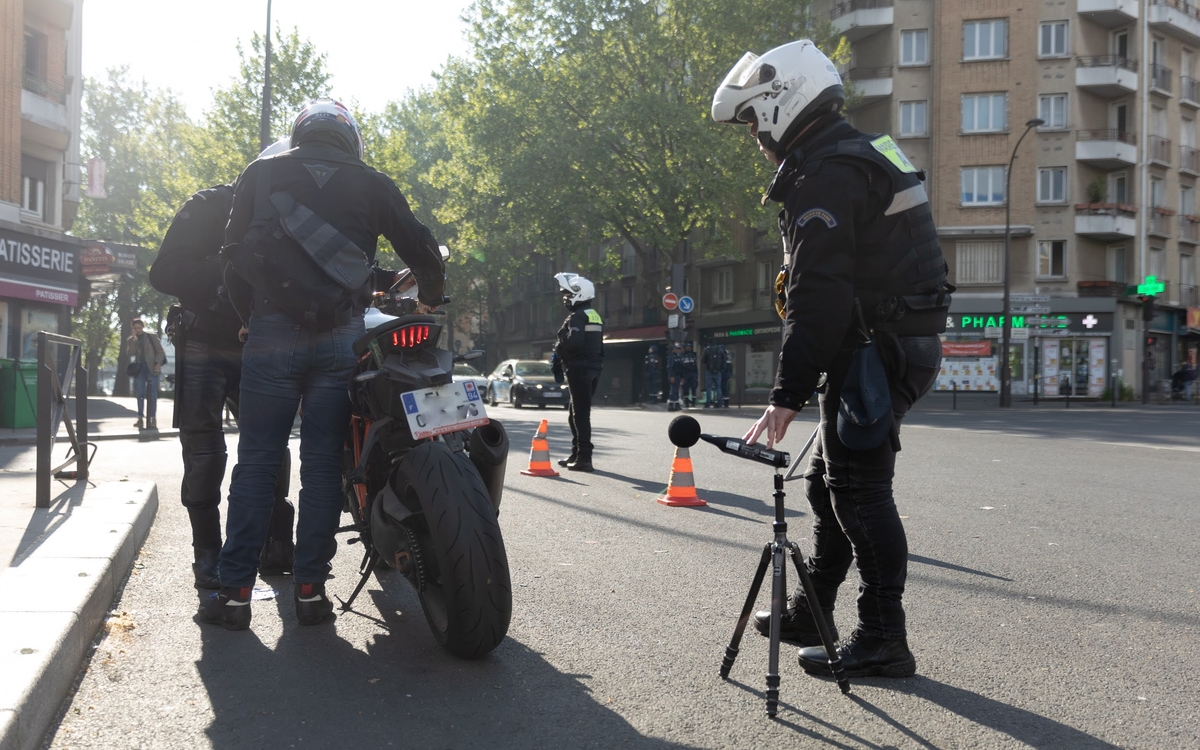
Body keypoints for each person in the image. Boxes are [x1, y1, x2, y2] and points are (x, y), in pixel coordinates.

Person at [713, 40, 952, 678]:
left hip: (876, 349)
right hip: (888, 343)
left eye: (753, 122)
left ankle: (882, 639)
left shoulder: (824, 173)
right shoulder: (858, 152)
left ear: (779, 106)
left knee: (859, 492)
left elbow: (820, 296)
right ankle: (811, 609)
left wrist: (785, 393)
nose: (755, 138)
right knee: (828, 486)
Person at [200, 98, 445, 630]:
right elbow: (424, 247)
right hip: (341, 339)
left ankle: (236, 594)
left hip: (270, 334)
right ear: (350, 139)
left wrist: (249, 318)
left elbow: (232, 258)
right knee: (320, 467)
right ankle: (311, 593)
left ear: (299, 133)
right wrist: (429, 297)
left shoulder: (261, 173)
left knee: (257, 462)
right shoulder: (373, 182)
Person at [149, 176, 296, 590]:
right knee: (205, 452)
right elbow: (163, 272)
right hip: (205, 340)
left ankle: (272, 543)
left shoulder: (292, 208)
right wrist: (230, 268)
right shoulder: (210, 204)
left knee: (268, 447)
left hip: (261, 342)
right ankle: (208, 552)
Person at [551, 272, 604, 472]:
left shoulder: (577, 317)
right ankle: (576, 453)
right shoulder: (594, 315)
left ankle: (584, 458)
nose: (565, 298)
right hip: (594, 367)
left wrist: (561, 335)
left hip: (580, 369)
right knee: (575, 413)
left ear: (579, 294)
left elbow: (574, 342)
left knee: (580, 414)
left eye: (567, 294)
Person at [127, 318, 166, 430]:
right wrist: (134, 340)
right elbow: (131, 353)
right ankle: (140, 418)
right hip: (140, 369)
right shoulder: (132, 339)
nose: (138, 330)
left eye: (139, 328)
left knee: (152, 395)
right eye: (135, 328)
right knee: (140, 394)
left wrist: (158, 364)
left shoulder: (151, 336)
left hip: (152, 367)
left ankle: (153, 419)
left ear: (142, 327)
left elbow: (160, 351)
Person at [702, 341, 726, 408]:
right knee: (718, 387)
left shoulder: (707, 349)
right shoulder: (720, 349)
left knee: (708, 388)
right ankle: (719, 402)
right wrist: (722, 369)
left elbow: (703, 360)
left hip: (709, 371)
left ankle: (708, 403)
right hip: (718, 372)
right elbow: (724, 360)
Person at [679, 341, 699, 408]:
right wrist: (681, 377)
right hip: (685, 374)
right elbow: (681, 367)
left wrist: (696, 374)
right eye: (687, 347)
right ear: (685, 348)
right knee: (685, 388)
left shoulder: (693, 355)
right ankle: (686, 402)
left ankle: (693, 402)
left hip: (692, 374)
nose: (689, 348)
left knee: (693, 388)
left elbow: (695, 366)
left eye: (689, 347)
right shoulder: (682, 356)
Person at [666, 343, 684, 411]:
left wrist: (682, 377)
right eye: (677, 349)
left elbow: (682, 367)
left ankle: (676, 405)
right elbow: (669, 367)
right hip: (673, 375)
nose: (678, 350)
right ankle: (671, 405)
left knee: (677, 391)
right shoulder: (671, 357)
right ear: (674, 349)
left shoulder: (680, 357)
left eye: (679, 349)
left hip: (679, 375)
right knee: (673, 390)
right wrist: (671, 376)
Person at [720, 344, 733, 408]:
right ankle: (726, 403)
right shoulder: (728, 356)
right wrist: (730, 375)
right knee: (725, 388)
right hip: (727, 374)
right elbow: (731, 366)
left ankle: (725, 403)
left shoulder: (723, 356)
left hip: (723, 374)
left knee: (723, 388)